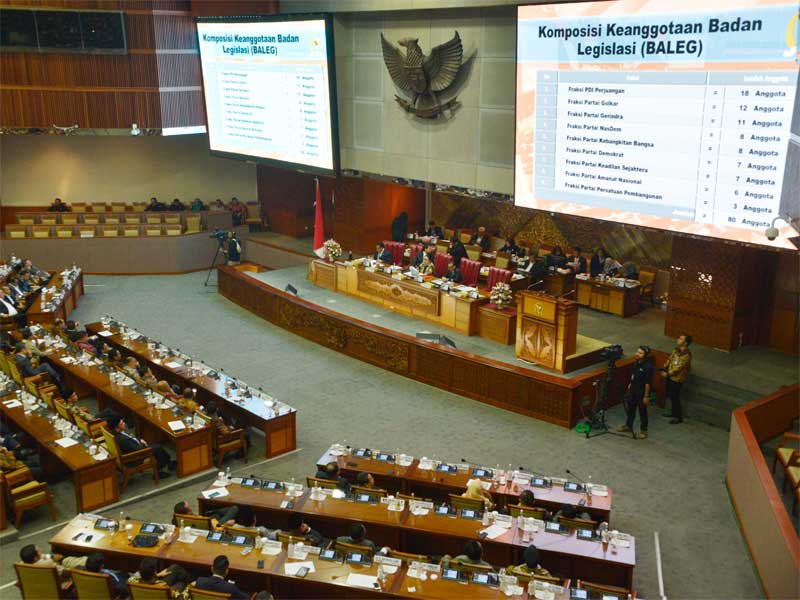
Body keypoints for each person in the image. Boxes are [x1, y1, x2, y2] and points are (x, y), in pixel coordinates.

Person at [108, 414, 174, 477]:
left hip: (133, 449)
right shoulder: (123, 439)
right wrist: (142, 443)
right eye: (122, 423)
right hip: (134, 458)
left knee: (156, 447)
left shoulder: (116, 433)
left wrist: (139, 440)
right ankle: (159, 471)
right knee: (158, 448)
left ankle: (169, 462)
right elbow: (137, 449)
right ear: (117, 426)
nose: (124, 423)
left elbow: (130, 438)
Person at [617, 345, 653, 439]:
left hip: (641, 393)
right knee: (631, 409)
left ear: (646, 355)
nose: (637, 354)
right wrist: (630, 384)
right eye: (637, 352)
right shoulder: (637, 362)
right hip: (633, 390)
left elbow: (648, 383)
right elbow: (634, 374)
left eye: (640, 353)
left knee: (642, 412)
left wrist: (646, 396)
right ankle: (629, 426)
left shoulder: (648, 367)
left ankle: (644, 431)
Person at [662, 334, 692, 424]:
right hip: (670, 377)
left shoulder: (686, 355)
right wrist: (665, 367)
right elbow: (670, 359)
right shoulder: (676, 350)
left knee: (675, 397)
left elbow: (679, 367)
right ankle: (672, 413)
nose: (678, 339)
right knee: (670, 395)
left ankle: (678, 417)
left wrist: (667, 374)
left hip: (677, 379)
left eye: (680, 339)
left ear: (685, 343)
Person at [128, 557, 192, 598]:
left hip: (151, 591)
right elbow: (182, 597)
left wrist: (157, 575)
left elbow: (136, 575)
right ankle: (192, 579)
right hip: (163, 593)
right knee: (181, 582)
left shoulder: (131, 581)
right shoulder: (164, 588)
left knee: (174, 567)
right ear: (154, 571)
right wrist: (190, 586)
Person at [19, 544, 87, 579]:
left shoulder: (22, 565)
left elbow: (43, 556)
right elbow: (65, 573)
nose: (41, 551)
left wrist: (51, 557)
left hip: (39, 584)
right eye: (39, 551)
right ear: (35, 558)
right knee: (81, 567)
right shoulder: (47, 563)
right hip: (63, 577)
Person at [173, 500, 238, 529]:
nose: (191, 507)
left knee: (216, 514)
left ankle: (212, 512)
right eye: (189, 507)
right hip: (216, 525)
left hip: (210, 518)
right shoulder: (196, 520)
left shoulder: (177, 520)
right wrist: (226, 524)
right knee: (234, 508)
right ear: (188, 512)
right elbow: (216, 529)